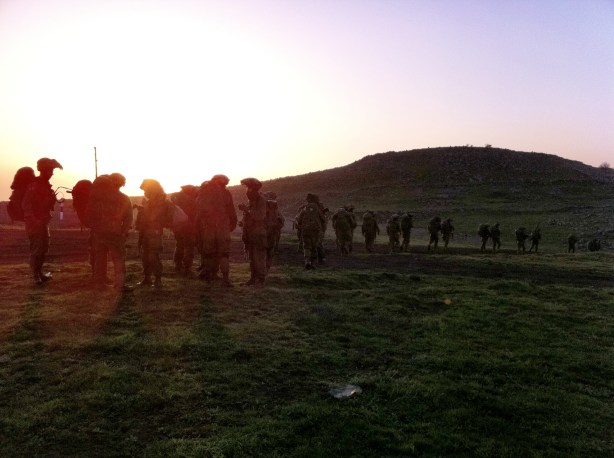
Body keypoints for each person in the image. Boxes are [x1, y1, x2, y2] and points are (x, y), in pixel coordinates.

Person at [86, 173, 133, 292]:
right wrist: (124, 232)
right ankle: (119, 285)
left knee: (100, 259)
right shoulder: (123, 198)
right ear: (121, 184)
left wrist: (95, 228)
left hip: (99, 233)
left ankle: (99, 284)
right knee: (118, 259)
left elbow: (91, 214)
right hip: (115, 233)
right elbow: (128, 218)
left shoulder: (99, 198)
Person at [21, 157, 63, 285]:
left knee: (44, 248)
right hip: (35, 223)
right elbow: (26, 204)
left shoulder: (45, 186)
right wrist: (34, 220)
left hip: (43, 221)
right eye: (50, 171)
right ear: (44, 170)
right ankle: (36, 276)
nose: (52, 173)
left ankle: (40, 273)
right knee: (37, 249)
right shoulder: (35, 185)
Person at [196, 174, 237, 286]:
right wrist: (231, 225)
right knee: (224, 254)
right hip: (223, 227)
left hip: (209, 227)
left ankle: (209, 277)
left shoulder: (205, 192)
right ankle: (225, 279)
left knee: (209, 253)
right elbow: (232, 212)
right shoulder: (226, 193)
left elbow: (199, 210)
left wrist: (200, 224)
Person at [136, 179, 174, 287]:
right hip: (146, 231)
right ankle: (147, 278)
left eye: (145, 190)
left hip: (154, 232)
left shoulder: (160, 202)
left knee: (153, 256)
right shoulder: (153, 201)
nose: (145, 193)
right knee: (145, 256)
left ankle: (157, 280)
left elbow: (156, 217)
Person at [239, 178, 268, 286]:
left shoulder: (261, 200)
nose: (247, 191)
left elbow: (260, 216)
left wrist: (247, 210)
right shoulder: (252, 201)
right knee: (252, 258)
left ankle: (260, 280)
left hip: (258, 234)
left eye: (249, 188)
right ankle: (253, 278)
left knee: (258, 258)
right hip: (250, 234)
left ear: (253, 189)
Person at [170, 185, 198, 276]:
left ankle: (178, 264)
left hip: (178, 227)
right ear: (189, 191)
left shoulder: (176, 199)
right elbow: (195, 214)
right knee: (189, 247)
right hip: (189, 227)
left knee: (179, 245)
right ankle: (187, 267)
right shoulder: (191, 201)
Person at [296, 193, 326, 269]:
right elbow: (323, 219)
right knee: (314, 246)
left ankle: (307, 261)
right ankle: (313, 263)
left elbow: (299, 219)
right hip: (315, 230)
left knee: (307, 246)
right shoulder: (317, 208)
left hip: (305, 230)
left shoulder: (305, 208)